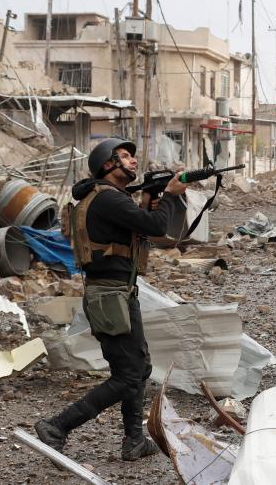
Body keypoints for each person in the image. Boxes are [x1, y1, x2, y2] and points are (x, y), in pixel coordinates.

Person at [35, 138, 187, 461]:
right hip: (109, 296)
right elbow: (157, 227)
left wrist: (149, 200)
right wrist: (170, 196)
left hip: (118, 293)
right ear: (108, 164)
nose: (133, 161)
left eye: (133, 156)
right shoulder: (108, 200)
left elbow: (140, 229)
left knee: (139, 367)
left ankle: (133, 441)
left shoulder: (111, 199)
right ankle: (57, 426)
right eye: (125, 156)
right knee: (127, 375)